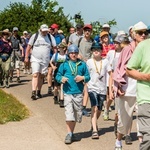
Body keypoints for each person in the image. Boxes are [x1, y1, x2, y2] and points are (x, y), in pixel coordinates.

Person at [113, 21, 148, 150]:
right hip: (127, 89)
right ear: (133, 34)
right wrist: (117, 86)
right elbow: (118, 69)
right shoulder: (127, 49)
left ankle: (143, 145)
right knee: (124, 120)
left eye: (146, 32)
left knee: (143, 120)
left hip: (144, 90)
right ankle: (118, 140)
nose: (143, 35)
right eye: (140, 33)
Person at [55, 44, 90, 144]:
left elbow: (88, 76)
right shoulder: (64, 65)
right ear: (68, 54)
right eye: (71, 53)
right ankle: (69, 134)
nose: (73, 54)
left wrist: (82, 78)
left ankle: (72, 132)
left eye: (75, 53)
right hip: (67, 93)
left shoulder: (82, 65)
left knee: (76, 116)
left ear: (77, 54)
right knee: (69, 115)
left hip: (78, 93)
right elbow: (58, 75)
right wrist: (61, 79)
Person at [126, 37, 150, 150]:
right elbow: (129, 70)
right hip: (146, 98)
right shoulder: (143, 46)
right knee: (149, 137)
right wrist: (145, 77)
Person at [87, 42, 113, 139]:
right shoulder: (89, 62)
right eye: (94, 50)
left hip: (102, 89)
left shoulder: (105, 61)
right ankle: (94, 130)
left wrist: (110, 89)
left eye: (98, 49)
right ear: (92, 51)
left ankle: (93, 122)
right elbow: (86, 75)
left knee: (100, 109)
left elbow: (111, 74)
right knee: (95, 107)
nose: (96, 51)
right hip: (92, 88)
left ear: (101, 51)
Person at [25, 24, 56, 100]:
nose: (45, 32)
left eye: (46, 31)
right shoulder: (35, 36)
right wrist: (26, 57)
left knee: (41, 76)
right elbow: (29, 47)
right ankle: (33, 92)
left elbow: (55, 48)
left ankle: (38, 91)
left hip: (45, 60)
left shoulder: (50, 37)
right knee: (35, 74)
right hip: (35, 58)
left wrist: (55, 58)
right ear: (40, 30)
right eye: (43, 31)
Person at [77, 24, 93, 117]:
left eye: (89, 30)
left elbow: (93, 53)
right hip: (78, 65)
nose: (87, 32)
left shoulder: (92, 41)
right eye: (86, 30)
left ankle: (83, 107)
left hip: (88, 65)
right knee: (78, 85)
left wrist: (89, 59)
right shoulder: (79, 40)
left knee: (86, 86)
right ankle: (77, 106)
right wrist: (78, 55)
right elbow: (73, 50)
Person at [50, 42, 67, 106]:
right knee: (56, 87)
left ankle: (61, 99)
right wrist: (53, 66)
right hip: (57, 72)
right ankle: (55, 97)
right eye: (59, 48)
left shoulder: (66, 56)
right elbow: (51, 61)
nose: (59, 49)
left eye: (61, 48)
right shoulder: (56, 55)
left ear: (64, 48)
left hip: (63, 73)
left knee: (62, 86)